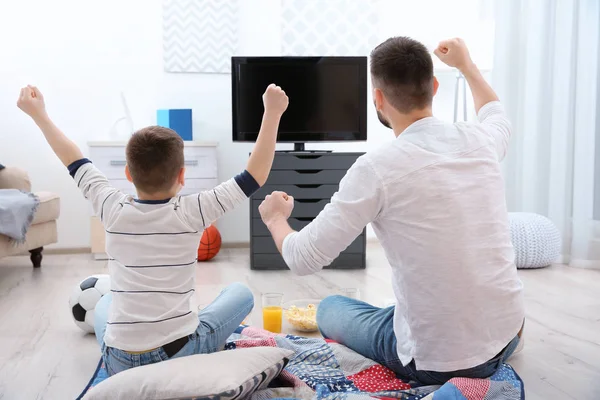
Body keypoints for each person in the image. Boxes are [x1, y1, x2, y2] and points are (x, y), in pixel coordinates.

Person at [258, 37, 524, 385]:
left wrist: (275, 218)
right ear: (434, 87)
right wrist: (466, 65)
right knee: (397, 307)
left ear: (378, 98)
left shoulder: (376, 168)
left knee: (331, 308)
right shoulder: (480, 140)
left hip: (440, 362)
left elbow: (303, 257)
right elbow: (495, 113)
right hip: (509, 334)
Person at [17, 83, 289, 376]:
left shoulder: (110, 206)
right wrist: (272, 113)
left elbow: (72, 157)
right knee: (240, 293)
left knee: (106, 301)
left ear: (127, 173)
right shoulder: (194, 210)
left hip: (118, 360)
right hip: (179, 355)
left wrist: (39, 114)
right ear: (182, 175)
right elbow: (254, 175)